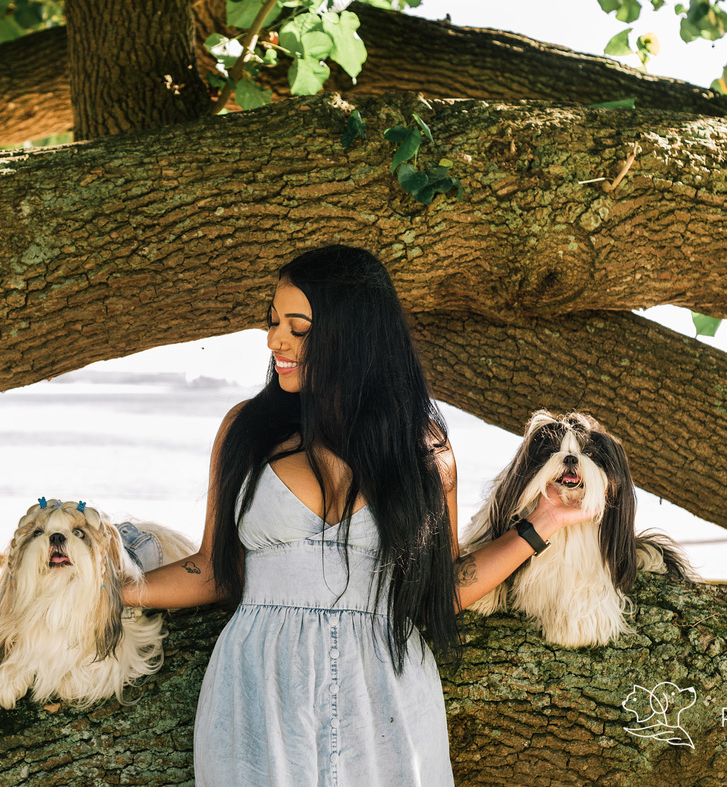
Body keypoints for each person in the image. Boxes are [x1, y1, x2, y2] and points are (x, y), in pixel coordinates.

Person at [124, 245, 591, 786]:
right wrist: (115, 590)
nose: (275, 340)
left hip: (386, 692)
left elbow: (441, 589)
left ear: (353, 334)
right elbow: (210, 569)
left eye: (298, 328)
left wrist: (545, 522)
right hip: (259, 687)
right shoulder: (245, 431)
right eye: (273, 322)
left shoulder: (424, 452)